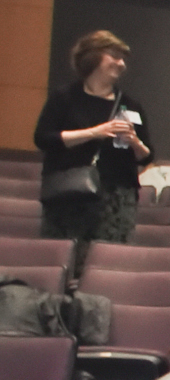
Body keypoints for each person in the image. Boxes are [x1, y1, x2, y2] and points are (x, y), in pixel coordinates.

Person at [33, 29, 151, 248]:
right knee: (64, 256)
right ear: (92, 57)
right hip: (69, 195)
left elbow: (146, 156)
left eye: (123, 58)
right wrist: (95, 132)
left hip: (116, 199)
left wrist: (135, 141)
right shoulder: (64, 97)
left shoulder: (130, 105)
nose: (121, 63)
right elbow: (43, 139)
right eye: (115, 56)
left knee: (107, 263)